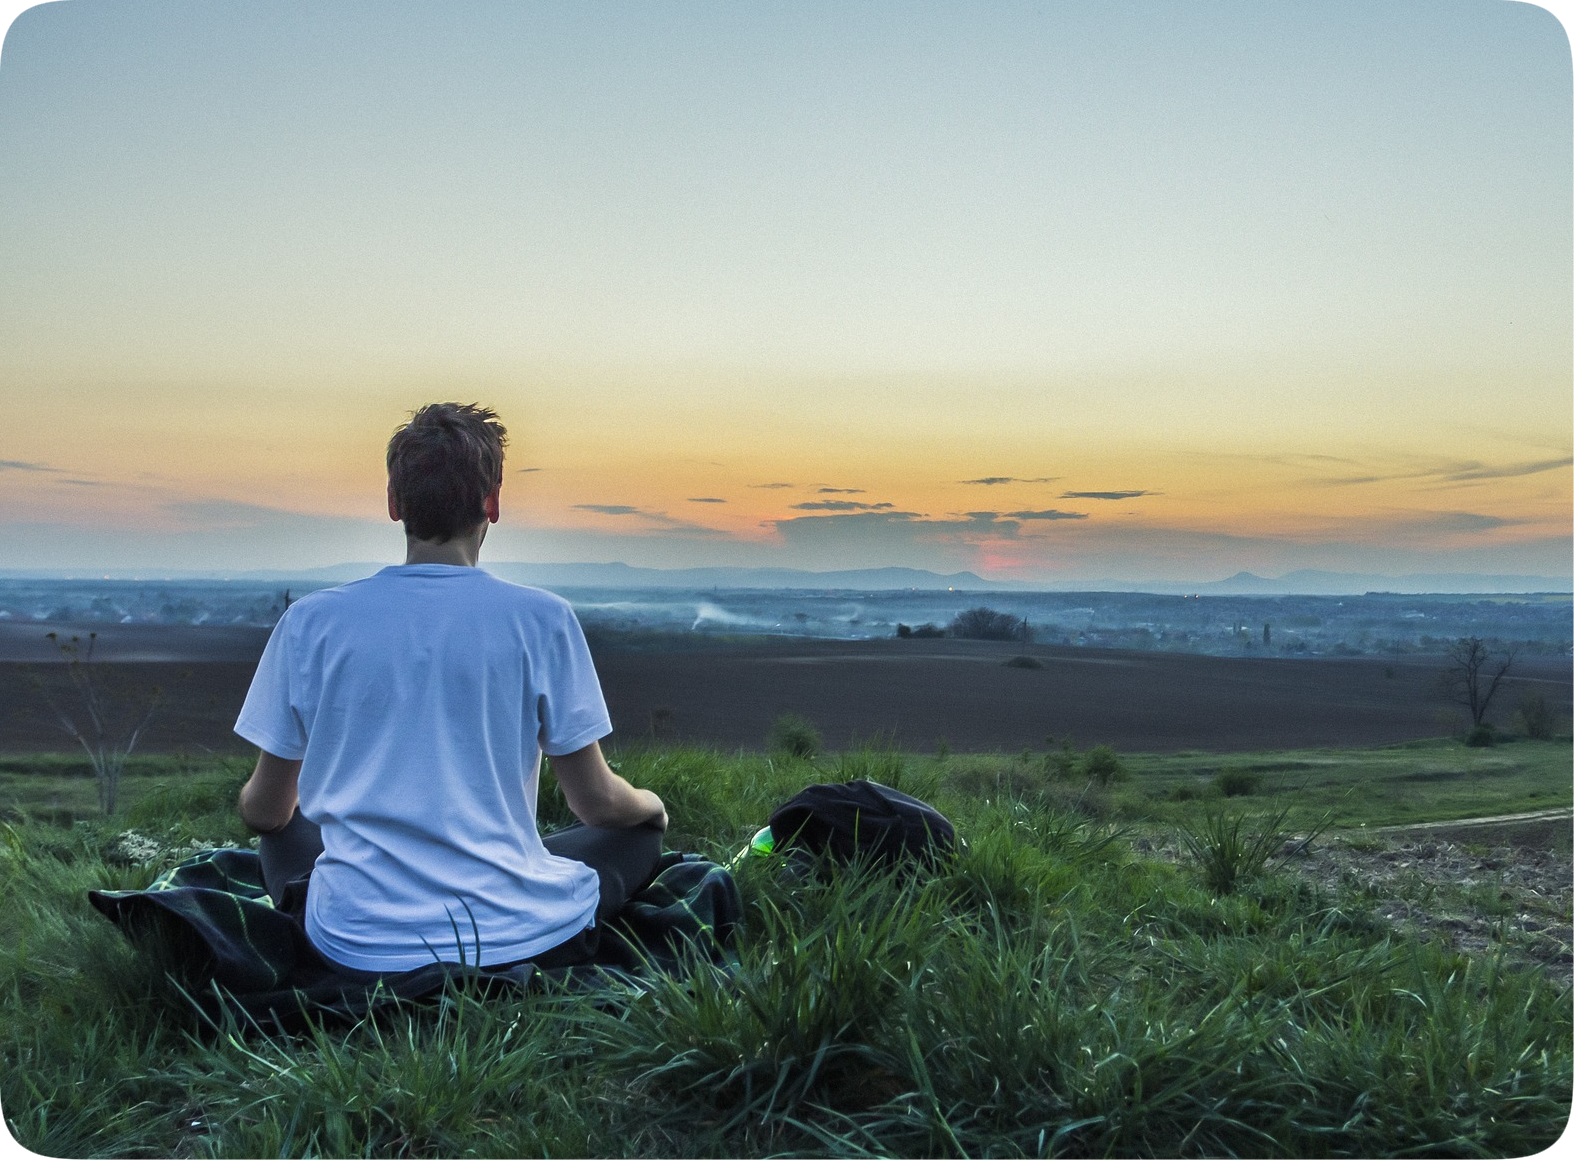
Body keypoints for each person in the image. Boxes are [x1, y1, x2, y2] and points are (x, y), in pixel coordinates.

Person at [234, 402, 667, 976]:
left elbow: (264, 812)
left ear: (394, 503)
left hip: (355, 942)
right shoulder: (543, 619)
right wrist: (652, 808)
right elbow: (597, 805)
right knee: (636, 839)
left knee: (285, 829)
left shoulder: (311, 623)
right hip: (513, 934)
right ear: (492, 502)